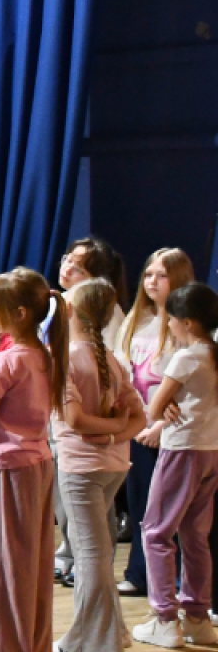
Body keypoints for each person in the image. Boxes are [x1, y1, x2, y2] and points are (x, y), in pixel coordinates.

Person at [0, 269, 66, 652]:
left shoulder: (8, 360)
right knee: (34, 563)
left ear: (19, 313)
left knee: (7, 564)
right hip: (39, 463)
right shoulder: (45, 355)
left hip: (8, 467)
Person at [53, 277, 145, 652]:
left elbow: (75, 419)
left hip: (82, 467)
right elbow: (137, 418)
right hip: (112, 464)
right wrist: (113, 435)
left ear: (71, 311)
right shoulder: (109, 357)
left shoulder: (68, 358)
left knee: (90, 553)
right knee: (98, 550)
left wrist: (104, 434)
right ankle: (110, 631)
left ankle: (89, 641)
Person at [133, 282, 218, 650]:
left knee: (156, 532)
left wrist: (163, 405)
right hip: (210, 449)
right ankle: (197, 617)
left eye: (171, 320)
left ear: (187, 322)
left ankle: (165, 619)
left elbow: (154, 407)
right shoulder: (213, 353)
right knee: (195, 536)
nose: (168, 325)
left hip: (183, 450)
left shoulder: (187, 357)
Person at [118, 248, 195, 598]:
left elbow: (193, 387)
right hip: (138, 428)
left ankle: (175, 581)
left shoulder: (186, 326)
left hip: (171, 433)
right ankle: (140, 573)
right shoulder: (137, 320)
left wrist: (161, 425)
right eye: (148, 274)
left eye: (161, 275)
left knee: (169, 511)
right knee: (140, 506)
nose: (152, 281)